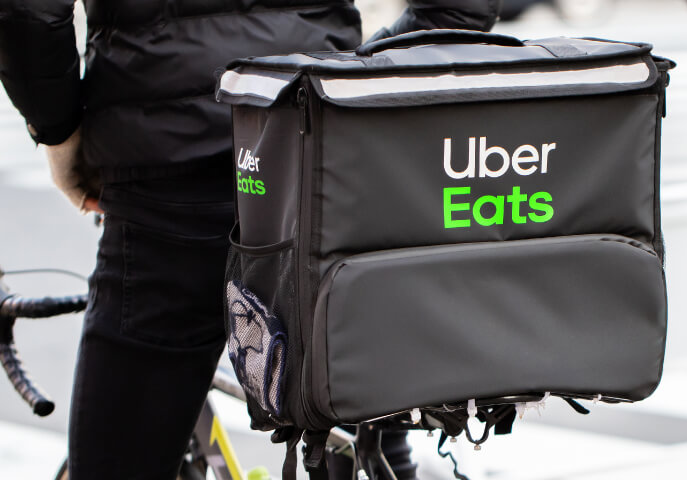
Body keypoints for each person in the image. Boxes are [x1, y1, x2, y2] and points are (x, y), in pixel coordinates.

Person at [0, 0, 501, 477]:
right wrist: (343, 80)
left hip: (171, 172)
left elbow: (28, 12)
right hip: (320, 148)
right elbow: (459, 10)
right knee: (353, 404)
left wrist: (59, 133)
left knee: (124, 452)